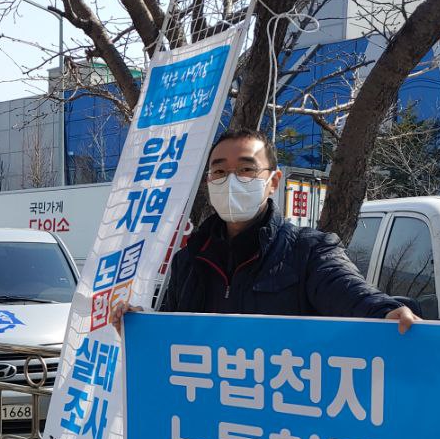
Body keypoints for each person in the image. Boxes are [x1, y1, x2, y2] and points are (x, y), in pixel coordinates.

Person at [112, 129, 419, 329]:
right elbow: (170, 334)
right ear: (208, 180)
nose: (231, 180)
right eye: (219, 171)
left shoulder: (309, 252)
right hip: (208, 402)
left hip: (278, 404)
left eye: (246, 169)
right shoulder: (189, 259)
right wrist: (141, 328)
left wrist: (385, 311)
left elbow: (349, 292)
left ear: (273, 181)